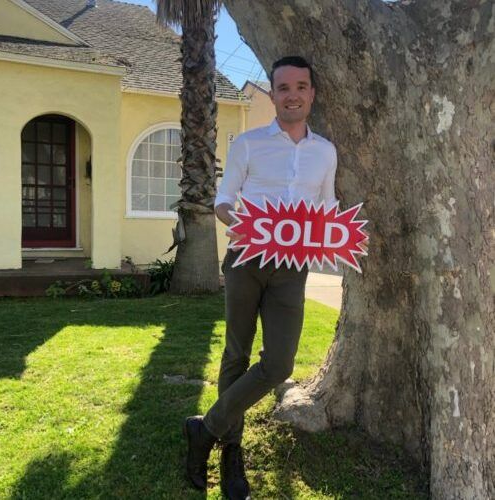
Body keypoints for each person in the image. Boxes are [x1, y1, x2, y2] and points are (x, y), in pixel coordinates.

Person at [183, 56, 337, 500]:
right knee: (236, 353)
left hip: (292, 269)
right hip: (246, 259)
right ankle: (232, 453)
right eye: (283, 87)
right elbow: (224, 201)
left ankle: (206, 428)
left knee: (280, 363)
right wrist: (246, 223)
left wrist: (333, 235)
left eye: (301, 86)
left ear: (312, 94)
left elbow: (325, 208)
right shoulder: (249, 144)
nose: (292, 94)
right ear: (272, 94)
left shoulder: (325, 152)